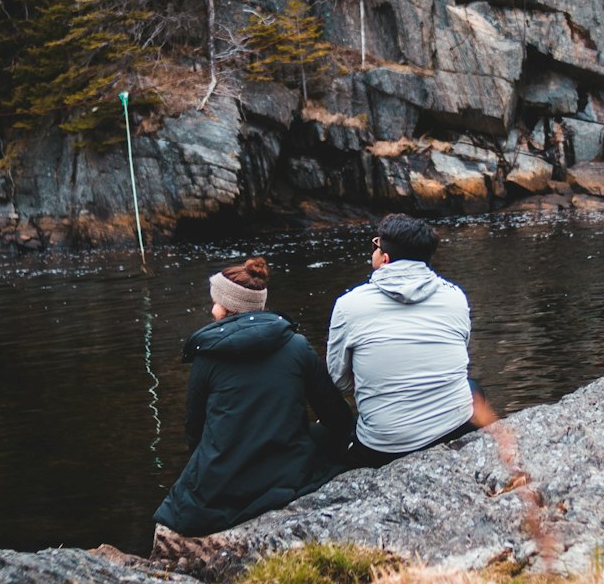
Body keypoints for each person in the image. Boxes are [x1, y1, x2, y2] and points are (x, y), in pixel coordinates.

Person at [154, 255, 353, 537]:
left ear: (229, 308)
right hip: (287, 473)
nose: (212, 310)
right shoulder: (296, 345)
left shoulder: (207, 357)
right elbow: (338, 417)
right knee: (329, 436)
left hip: (223, 484)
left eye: (216, 302)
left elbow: (194, 432)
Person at [326, 214, 492, 467]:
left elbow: (339, 380)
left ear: (385, 259)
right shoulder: (455, 296)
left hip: (385, 447)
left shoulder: (349, 305)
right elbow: (458, 353)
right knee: (472, 387)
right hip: (455, 428)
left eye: (376, 245)